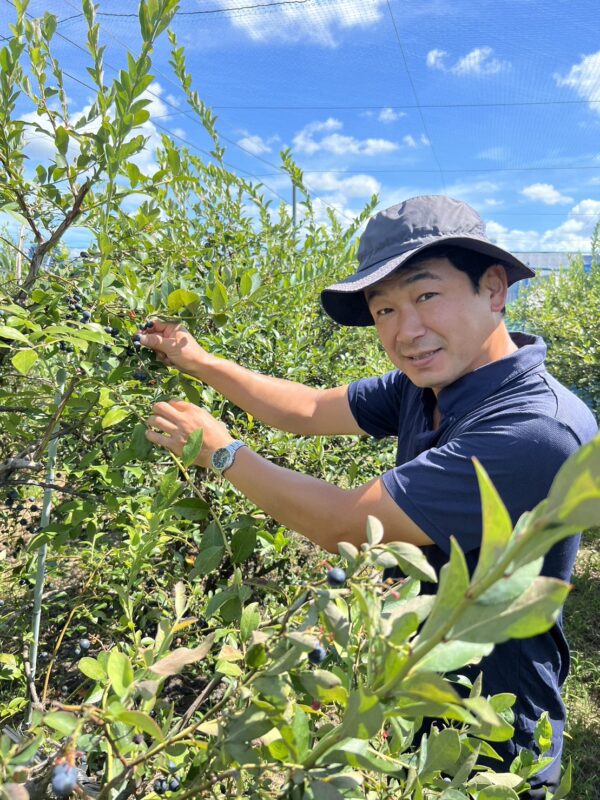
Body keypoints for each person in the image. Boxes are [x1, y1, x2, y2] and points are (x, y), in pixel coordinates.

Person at [140, 195, 597, 798]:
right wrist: (196, 361)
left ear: (493, 288)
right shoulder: (430, 378)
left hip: (490, 725)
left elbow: (348, 525)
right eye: (385, 308)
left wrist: (222, 454)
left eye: (425, 295)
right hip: (419, 678)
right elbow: (306, 409)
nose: (405, 331)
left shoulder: (534, 430)